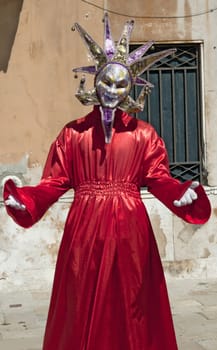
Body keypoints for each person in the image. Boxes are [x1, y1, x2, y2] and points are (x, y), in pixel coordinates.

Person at [4, 13, 211, 350]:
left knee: (132, 304)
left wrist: (181, 193)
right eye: (107, 82)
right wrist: (25, 200)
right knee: (81, 301)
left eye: (120, 84)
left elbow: (159, 179)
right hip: (84, 233)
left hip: (132, 233)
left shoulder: (145, 135)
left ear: (132, 87)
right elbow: (53, 182)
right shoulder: (73, 134)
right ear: (95, 81)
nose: (113, 91)